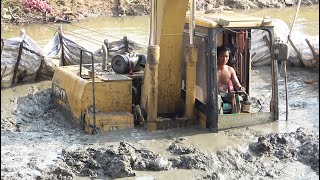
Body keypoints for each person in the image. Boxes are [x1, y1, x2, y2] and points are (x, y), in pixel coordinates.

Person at [217, 45, 246, 113]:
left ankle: (235, 120)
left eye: (226, 56)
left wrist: (240, 88)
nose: (224, 59)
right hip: (214, 96)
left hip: (225, 95)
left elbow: (237, 84)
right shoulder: (212, 69)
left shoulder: (230, 70)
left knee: (237, 99)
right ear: (217, 56)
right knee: (217, 100)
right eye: (222, 56)